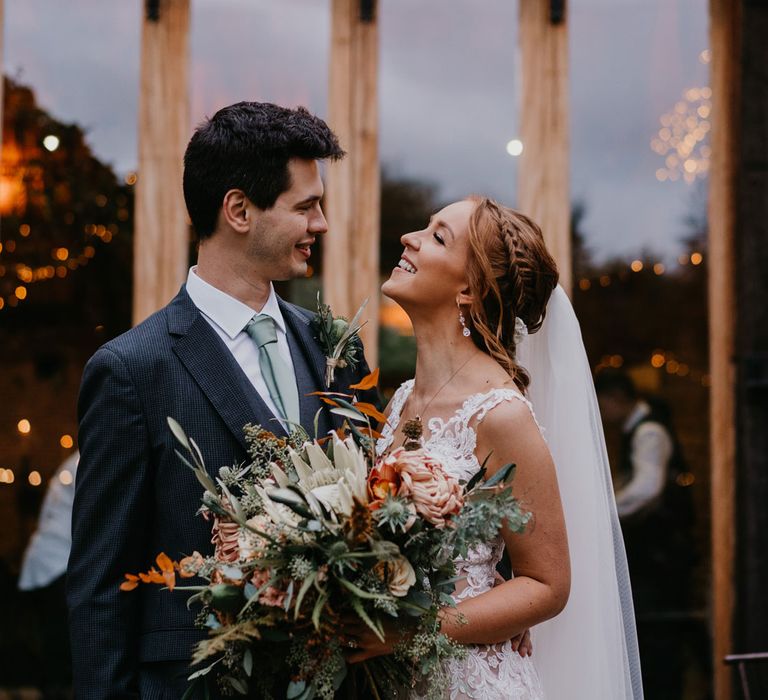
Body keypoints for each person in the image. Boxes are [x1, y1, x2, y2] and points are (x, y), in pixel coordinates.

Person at [67, 102, 377, 700]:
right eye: (306, 206)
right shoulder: (132, 370)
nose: (323, 225)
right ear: (238, 210)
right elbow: (100, 584)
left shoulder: (335, 347)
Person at [350, 196, 642, 699]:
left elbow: (547, 585)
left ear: (470, 289)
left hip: (467, 681)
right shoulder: (401, 400)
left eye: (438, 236)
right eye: (425, 227)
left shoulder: (500, 414)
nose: (409, 239)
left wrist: (410, 632)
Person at [596, 369, 698, 699]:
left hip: (660, 558)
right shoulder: (636, 431)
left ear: (616, 398)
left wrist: (602, 515)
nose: (602, 414)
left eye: (603, 404)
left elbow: (646, 490)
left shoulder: (649, 431)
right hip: (654, 560)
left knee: (658, 642)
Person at [18, 452, 79, 699]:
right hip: (56, 563)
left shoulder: (72, 462)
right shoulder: (88, 459)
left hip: (43, 562)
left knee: (53, 644)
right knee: (59, 646)